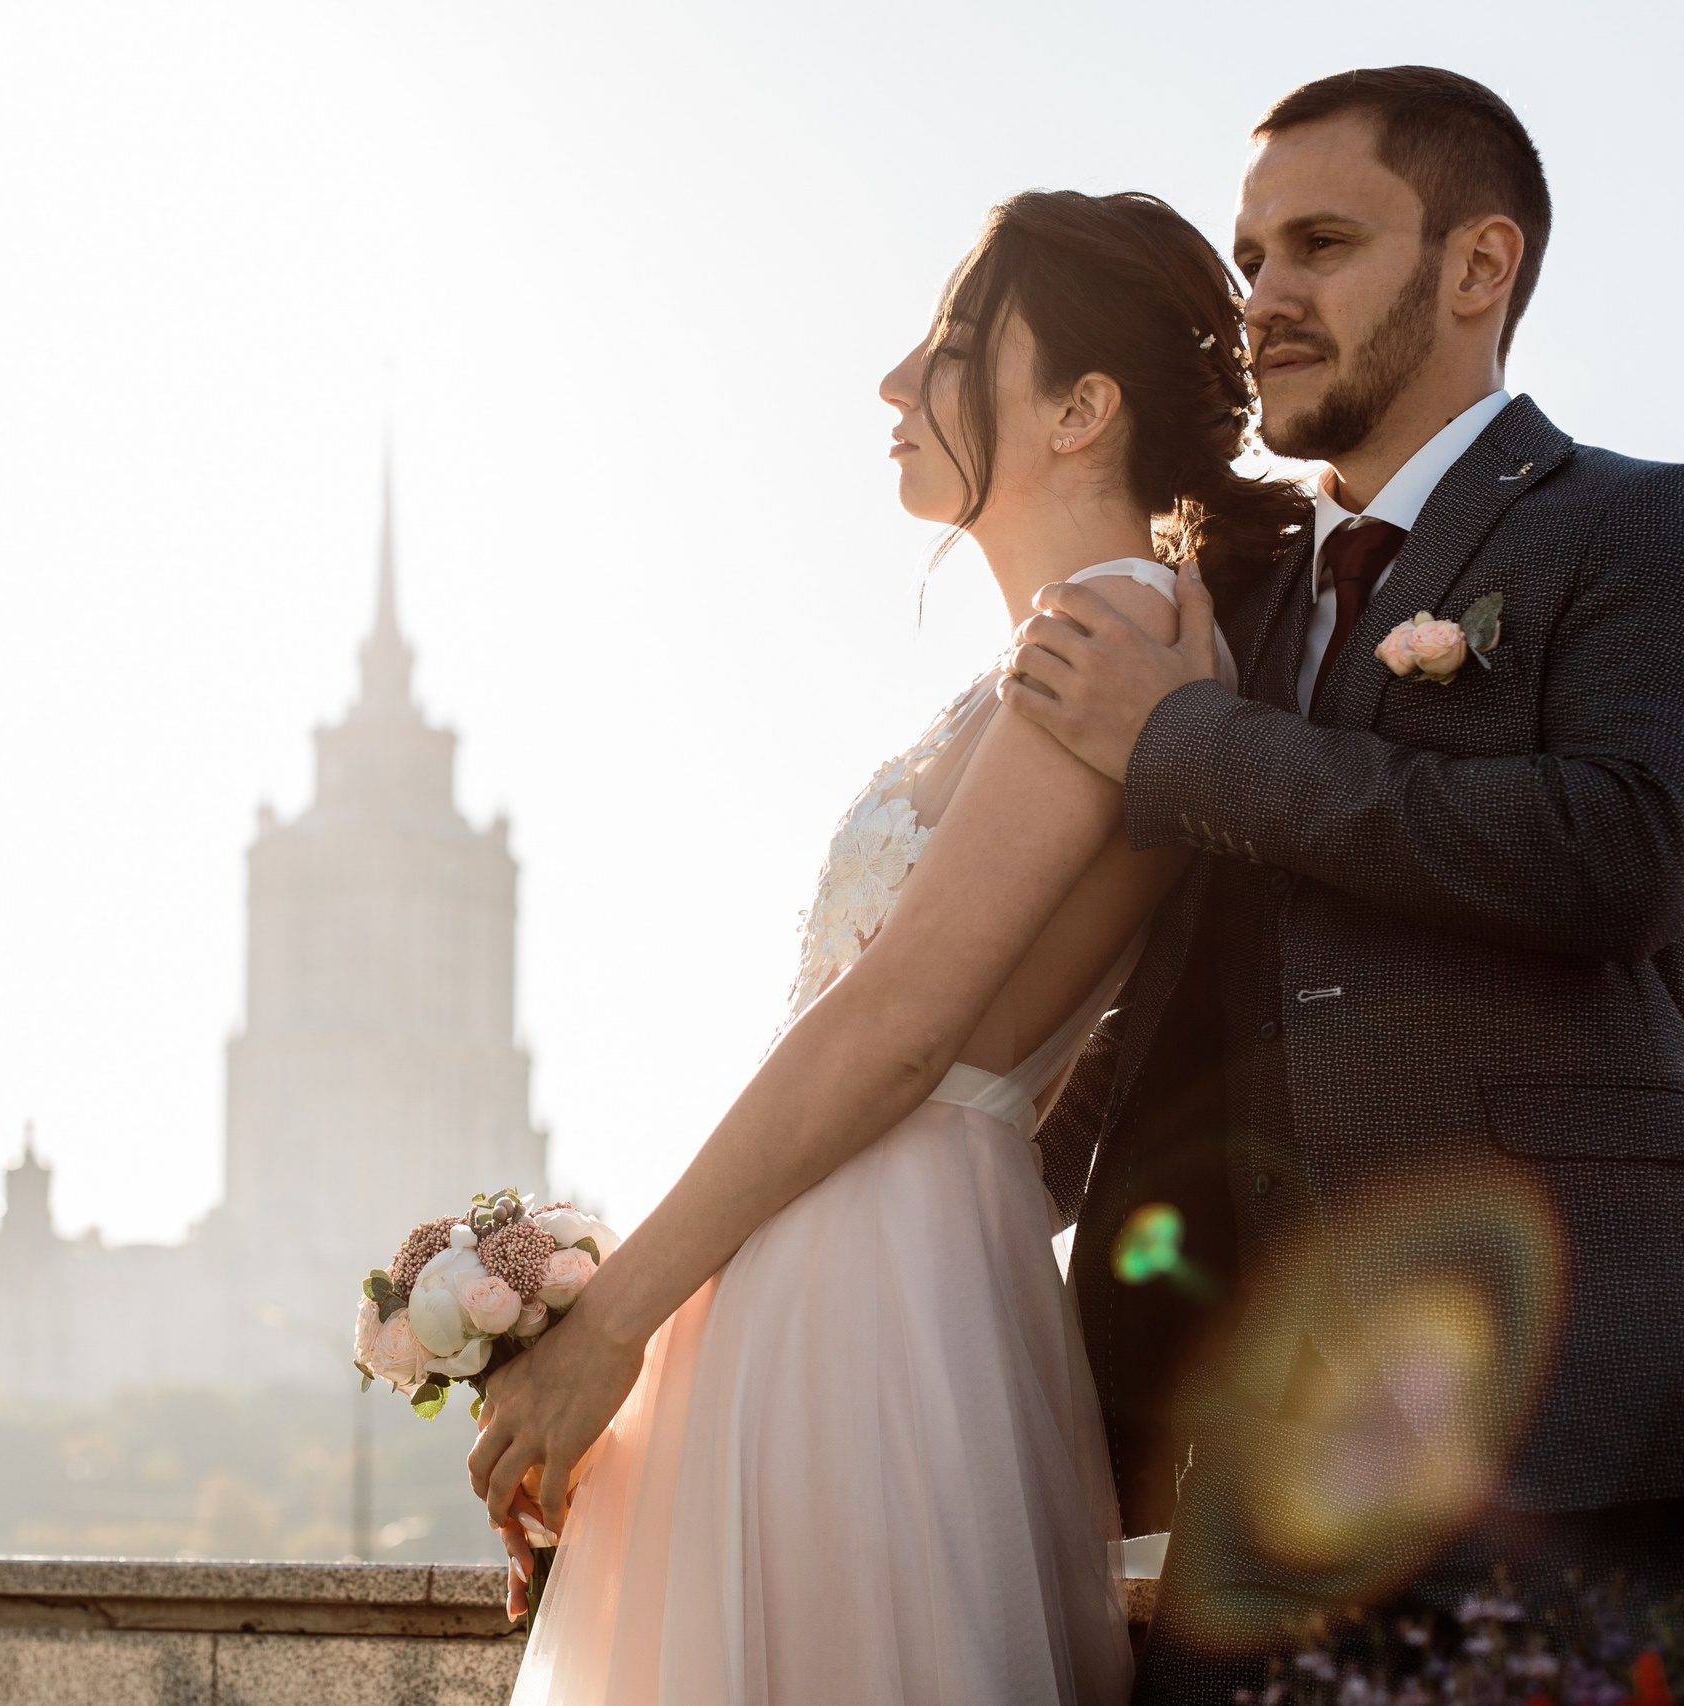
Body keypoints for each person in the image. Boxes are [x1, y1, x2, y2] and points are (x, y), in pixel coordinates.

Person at [1002, 67, 1684, 1700]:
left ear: (1477, 267)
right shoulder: (1231, 610)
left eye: (1319, 242)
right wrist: (952, 1187)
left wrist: (1193, 743)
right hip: (1273, 1462)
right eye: (1250, 259)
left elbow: (1619, 852)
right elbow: (1186, 983)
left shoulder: (1654, 530)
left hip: (1602, 1423)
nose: (1265, 299)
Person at [470, 188, 1303, 1706]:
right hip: (857, 1247)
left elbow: (905, 1021)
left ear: (1081, 409)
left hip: (876, 1276)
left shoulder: (1113, 630)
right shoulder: (1078, 641)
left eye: (951, 347)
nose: (892, 384)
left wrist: (609, 1323)